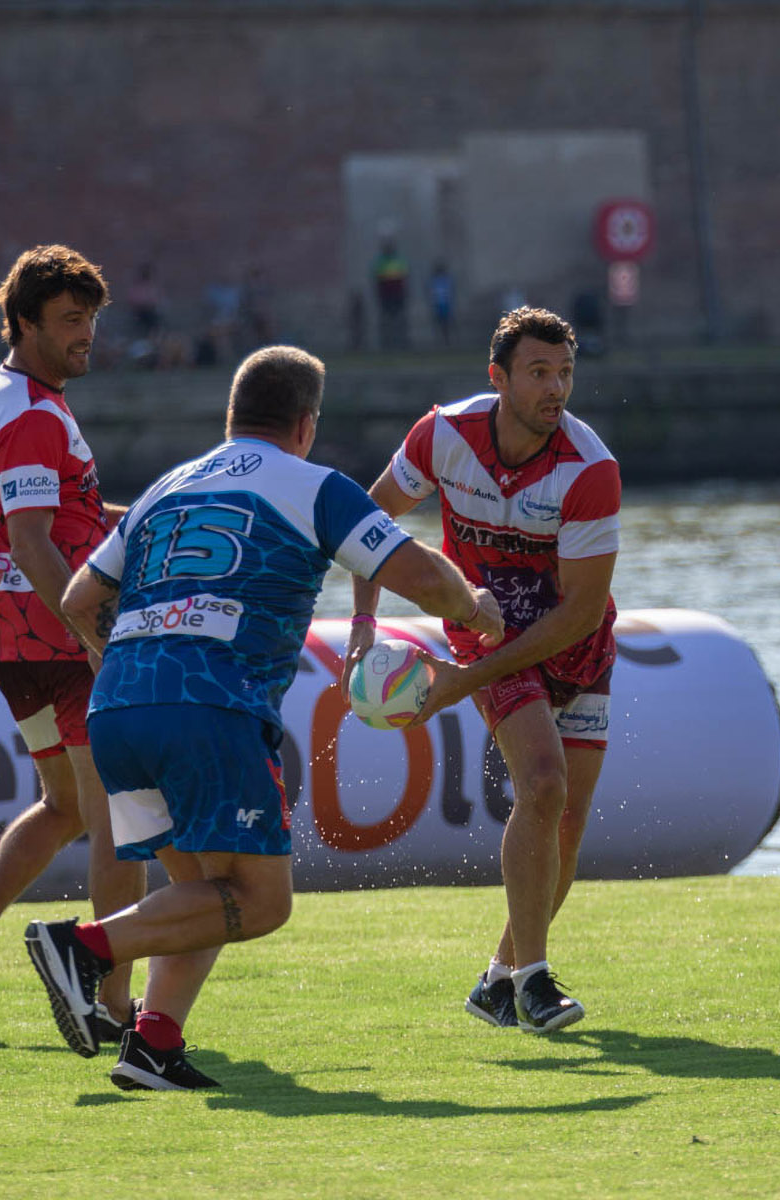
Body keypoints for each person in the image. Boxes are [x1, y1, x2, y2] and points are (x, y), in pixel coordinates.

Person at [29, 345, 504, 1089]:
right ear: (306, 425)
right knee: (260, 901)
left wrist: (119, 655)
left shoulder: (166, 487)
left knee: (206, 892)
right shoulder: (315, 487)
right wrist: (473, 607)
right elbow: (414, 572)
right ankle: (82, 949)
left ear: (232, 418)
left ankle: (153, 1042)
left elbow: (77, 601)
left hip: (118, 705)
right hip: (210, 707)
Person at [341, 306, 621, 1034]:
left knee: (565, 824)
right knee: (544, 782)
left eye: (564, 373)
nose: (555, 388)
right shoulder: (442, 436)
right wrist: (364, 628)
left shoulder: (590, 469)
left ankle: (498, 979)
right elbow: (370, 525)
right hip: (487, 635)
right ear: (497, 378)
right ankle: (535, 982)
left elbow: (582, 613)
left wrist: (457, 684)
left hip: (577, 645)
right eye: (537, 373)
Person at [0, 245, 145, 1051]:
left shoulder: (8, 392)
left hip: (5, 632)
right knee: (118, 817)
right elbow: (31, 539)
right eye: (68, 321)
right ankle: (111, 1004)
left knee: (63, 807)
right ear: (24, 323)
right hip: (52, 628)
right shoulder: (29, 412)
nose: (85, 334)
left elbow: (59, 514)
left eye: (90, 317)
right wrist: (91, 632)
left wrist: (151, 516)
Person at [371, 237, 410, 351]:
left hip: (395, 295)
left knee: (397, 320)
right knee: (389, 321)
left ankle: (400, 341)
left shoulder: (396, 261)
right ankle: (388, 342)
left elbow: (404, 278)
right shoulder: (382, 261)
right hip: (387, 296)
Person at [428, 261, 455, 346]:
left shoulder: (445, 279)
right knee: (440, 323)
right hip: (439, 304)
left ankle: (446, 340)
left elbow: (450, 291)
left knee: (445, 323)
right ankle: (441, 341)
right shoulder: (435, 280)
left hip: (445, 304)